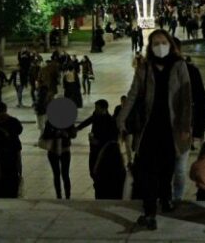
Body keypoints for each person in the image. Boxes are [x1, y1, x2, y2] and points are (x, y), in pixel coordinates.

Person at [115, 29, 192, 231]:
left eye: (163, 42)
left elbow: (186, 97)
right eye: (155, 43)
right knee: (147, 170)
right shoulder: (144, 68)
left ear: (170, 44)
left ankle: (165, 199)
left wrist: (185, 126)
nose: (160, 46)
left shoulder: (179, 66)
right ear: (150, 46)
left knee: (167, 167)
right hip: (148, 127)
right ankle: (150, 213)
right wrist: (121, 118)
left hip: (171, 127)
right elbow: (133, 94)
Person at [0, 102, 23, 198]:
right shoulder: (13, 121)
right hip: (12, 154)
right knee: (12, 177)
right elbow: (19, 131)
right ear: (6, 110)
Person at [76, 99, 119, 180]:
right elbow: (88, 121)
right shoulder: (96, 115)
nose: (95, 110)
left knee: (101, 173)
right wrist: (77, 128)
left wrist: (98, 142)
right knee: (92, 171)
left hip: (103, 152)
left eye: (97, 108)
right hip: (93, 150)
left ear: (104, 109)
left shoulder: (110, 121)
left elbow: (113, 139)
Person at [40, 119, 77, 199]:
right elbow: (45, 135)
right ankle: (59, 195)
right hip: (53, 151)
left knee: (65, 174)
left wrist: (66, 134)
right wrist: (54, 133)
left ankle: (68, 196)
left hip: (65, 150)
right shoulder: (50, 122)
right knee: (56, 174)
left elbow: (73, 134)